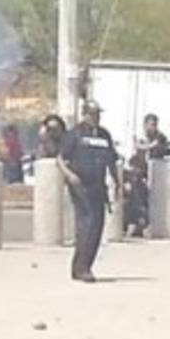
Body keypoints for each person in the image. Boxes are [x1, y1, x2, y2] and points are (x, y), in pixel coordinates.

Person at [57, 100, 120, 283]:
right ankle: (81, 268)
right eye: (93, 114)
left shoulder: (104, 135)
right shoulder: (74, 134)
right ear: (85, 114)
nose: (96, 117)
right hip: (80, 184)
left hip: (98, 185)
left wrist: (116, 182)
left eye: (98, 114)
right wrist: (70, 176)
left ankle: (85, 267)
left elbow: (111, 161)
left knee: (97, 225)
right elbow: (60, 159)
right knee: (88, 222)